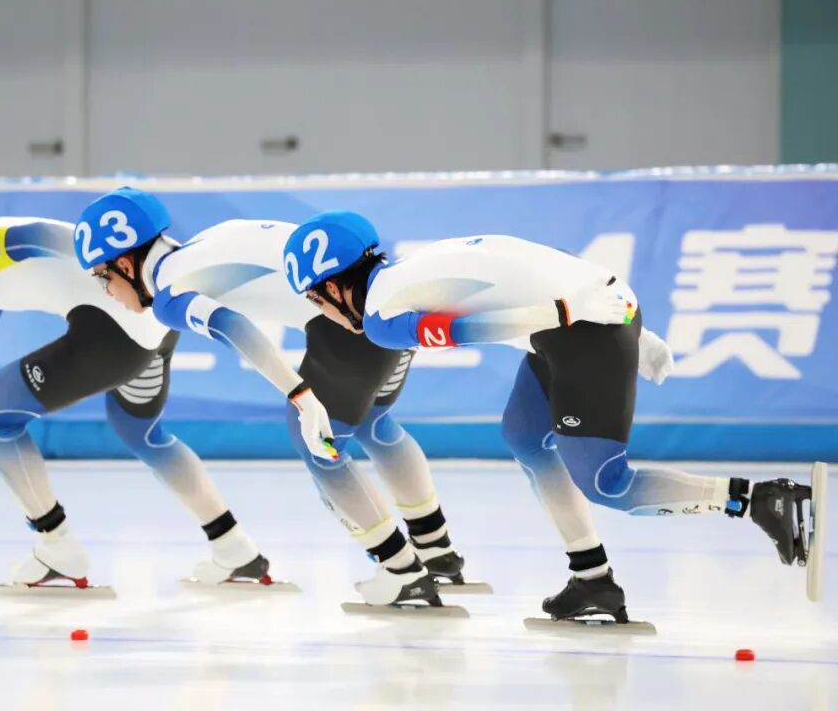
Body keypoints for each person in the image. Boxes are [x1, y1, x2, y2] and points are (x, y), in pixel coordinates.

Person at [282, 209, 815, 622]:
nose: (322, 313)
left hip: (578, 326)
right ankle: (592, 579)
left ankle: (758, 499)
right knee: (523, 434)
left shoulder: (381, 318)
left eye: (315, 301)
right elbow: (527, 257)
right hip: (587, 310)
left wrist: (574, 314)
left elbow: (470, 331)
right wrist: (631, 323)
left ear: (334, 287)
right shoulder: (413, 269)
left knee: (608, 483)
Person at [0, 170, 270, 590]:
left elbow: (35, 236)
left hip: (116, 329)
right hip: (149, 319)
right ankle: (233, 545)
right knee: (140, 431)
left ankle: (57, 545)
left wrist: (96, 260)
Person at [74, 188, 469, 608]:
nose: (106, 291)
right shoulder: (209, 239)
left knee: (319, 446)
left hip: (346, 323)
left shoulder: (170, 295)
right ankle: (436, 550)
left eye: (102, 277)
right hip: (387, 304)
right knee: (376, 425)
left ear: (125, 264)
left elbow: (233, 326)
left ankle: (402, 571)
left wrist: (298, 393)